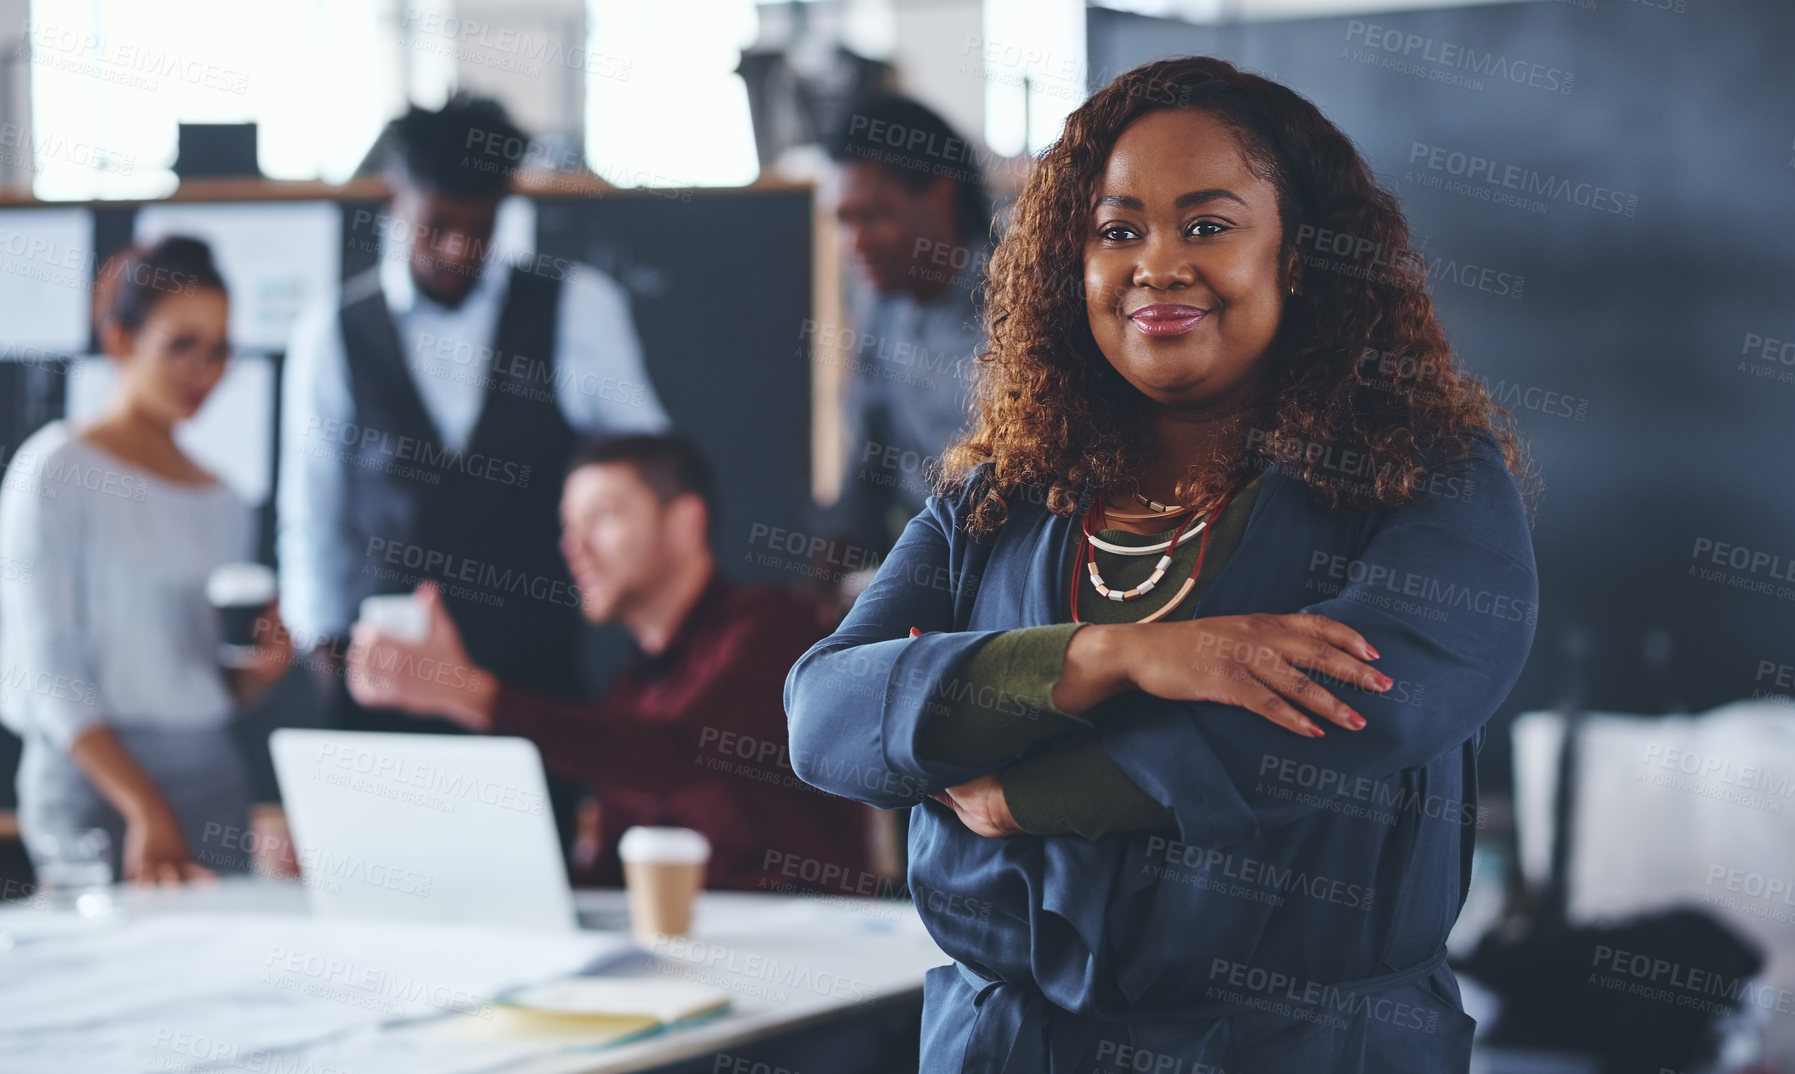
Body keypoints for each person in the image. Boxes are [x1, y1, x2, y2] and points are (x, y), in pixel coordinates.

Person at [786, 57, 1541, 1072]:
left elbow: (1348, 710)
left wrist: (1025, 790)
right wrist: (1117, 657)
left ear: (1300, 257)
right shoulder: (997, 499)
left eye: (1208, 224)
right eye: (1116, 230)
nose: (1156, 264)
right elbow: (825, 714)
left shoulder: (1423, 481)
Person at [278, 92, 672, 855]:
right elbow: (313, 509)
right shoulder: (332, 333)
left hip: (534, 681)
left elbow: (643, 467)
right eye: (437, 227)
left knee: (538, 913)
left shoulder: (578, 308)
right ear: (394, 203)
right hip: (384, 683)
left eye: (479, 229)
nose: (459, 249)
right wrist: (323, 647)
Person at [342, 434, 871, 892]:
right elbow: (612, 877)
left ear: (685, 523)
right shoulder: (633, 690)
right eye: (569, 526)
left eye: (603, 517)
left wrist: (469, 693)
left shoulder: (771, 630)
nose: (575, 547)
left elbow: (675, 753)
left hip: (814, 967)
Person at [0, 237, 294, 884]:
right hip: (92, 781)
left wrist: (257, 675)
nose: (203, 370)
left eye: (218, 350)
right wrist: (144, 806)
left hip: (208, 777)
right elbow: (47, 667)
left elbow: (197, 678)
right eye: (181, 345)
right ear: (122, 341)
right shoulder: (56, 471)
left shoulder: (224, 497)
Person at [820, 94, 994, 561]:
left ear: (938, 195)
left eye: (873, 216)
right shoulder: (879, 304)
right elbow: (870, 453)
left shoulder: (1021, 305)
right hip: (927, 559)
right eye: (843, 220)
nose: (854, 242)